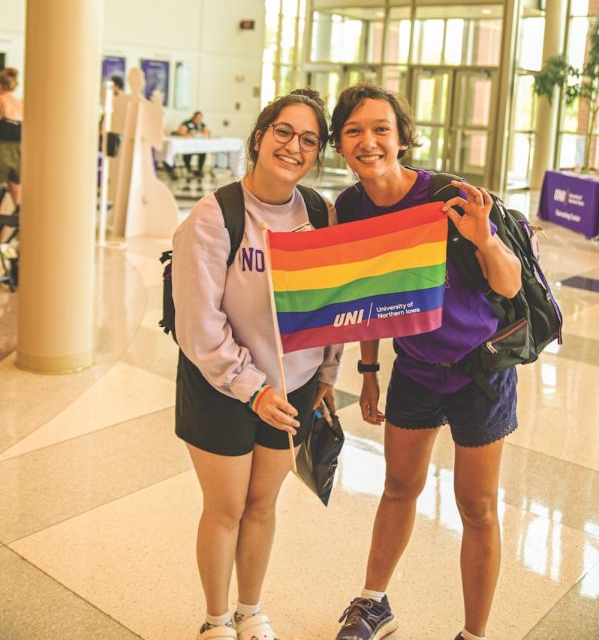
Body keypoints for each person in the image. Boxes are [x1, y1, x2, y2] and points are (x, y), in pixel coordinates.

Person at [330, 83, 522, 640]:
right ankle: (374, 604)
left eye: (381, 129)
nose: (369, 141)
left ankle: (474, 633)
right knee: (398, 487)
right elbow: (364, 296)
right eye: (354, 131)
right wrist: (367, 372)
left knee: (476, 506)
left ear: (402, 137)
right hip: (413, 367)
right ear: (341, 145)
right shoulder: (350, 206)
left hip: (479, 371)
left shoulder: (449, 193)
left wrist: (483, 239)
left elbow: (507, 285)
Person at [172, 89, 342, 640]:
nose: (294, 146)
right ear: (261, 136)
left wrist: (325, 375)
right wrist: (251, 388)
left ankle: (250, 611)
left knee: (263, 505)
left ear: (317, 154)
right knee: (225, 508)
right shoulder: (214, 215)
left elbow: (333, 303)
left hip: (290, 390)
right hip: (221, 387)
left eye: (309, 140)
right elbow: (199, 326)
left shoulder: (320, 213)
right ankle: (216, 620)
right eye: (284, 132)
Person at [0, 67, 24, 208]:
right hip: (19, 148)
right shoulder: (20, 103)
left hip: (3, 147)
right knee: (14, 182)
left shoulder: (1, 100)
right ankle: (18, 209)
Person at [177, 110, 211, 175]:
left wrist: (202, 134)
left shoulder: (202, 124)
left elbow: (207, 132)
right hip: (187, 146)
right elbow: (181, 132)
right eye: (197, 118)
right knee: (187, 154)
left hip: (198, 146)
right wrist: (190, 134)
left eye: (200, 118)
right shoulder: (187, 123)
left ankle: (200, 169)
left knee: (203, 153)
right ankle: (188, 169)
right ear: (194, 117)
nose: (199, 119)